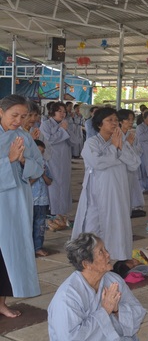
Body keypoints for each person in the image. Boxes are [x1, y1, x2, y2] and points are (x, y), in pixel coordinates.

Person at [48, 233, 148, 341]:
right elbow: (69, 338)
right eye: (101, 252)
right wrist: (105, 310)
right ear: (86, 264)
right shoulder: (67, 297)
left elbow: (137, 311)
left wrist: (117, 310)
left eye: (105, 250)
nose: (108, 254)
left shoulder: (113, 280)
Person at [72, 108, 141, 261]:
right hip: (97, 193)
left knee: (116, 224)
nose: (114, 123)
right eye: (110, 120)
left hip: (118, 191)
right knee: (93, 226)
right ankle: (90, 261)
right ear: (99, 124)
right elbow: (98, 163)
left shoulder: (121, 142)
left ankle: (114, 258)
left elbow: (135, 163)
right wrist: (114, 148)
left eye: (116, 120)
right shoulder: (91, 143)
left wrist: (120, 147)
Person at [0, 95, 44, 318]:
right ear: (1, 112)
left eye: (23, 116)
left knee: (9, 255)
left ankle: (1, 303)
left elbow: (39, 167)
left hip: (17, 203)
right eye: (14, 115)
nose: (18, 121)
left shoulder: (24, 137)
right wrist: (8, 160)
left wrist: (24, 160)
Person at [40, 101, 81, 229]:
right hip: (52, 159)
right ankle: (52, 213)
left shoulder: (66, 124)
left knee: (64, 184)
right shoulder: (45, 124)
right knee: (53, 184)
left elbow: (75, 141)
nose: (62, 114)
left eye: (64, 111)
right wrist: (62, 130)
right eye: (59, 111)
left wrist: (66, 129)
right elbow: (49, 140)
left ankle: (62, 213)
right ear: (53, 112)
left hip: (64, 160)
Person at [117, 109, 145, 217]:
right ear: (120, 121)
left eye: (132, 119)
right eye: (128, 119)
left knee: (129, 192)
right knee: (120, 194)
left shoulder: (132, 135)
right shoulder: (115, 135)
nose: (130, 122)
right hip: (119, 168)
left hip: (131, 167)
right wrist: (127, 144)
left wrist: (131, 146)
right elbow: (117, 152)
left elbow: (139, 150)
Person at [31, 139, 52, 258]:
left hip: (42, 201)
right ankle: (29, 248)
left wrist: (43, 174)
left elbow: (49, 182)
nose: (40, 155)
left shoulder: (44, 164)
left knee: (40, 225)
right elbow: (27, 183)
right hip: (30, 200)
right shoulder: (26, 165)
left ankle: (38, 247)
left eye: (42, 152)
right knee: (29, 225)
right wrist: (37, 173)